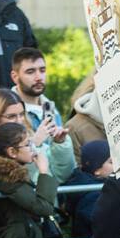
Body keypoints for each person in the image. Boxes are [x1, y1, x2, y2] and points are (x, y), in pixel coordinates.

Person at [11, 47, 76, 184]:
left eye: (42, 70)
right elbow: (6, 162)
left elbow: (63, 171)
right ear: (15, 77)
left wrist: (61, 144)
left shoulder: (51, 109)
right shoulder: (7, 110)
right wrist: (34, 142)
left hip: (53, 191)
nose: (38, 77)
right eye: (30, 72)